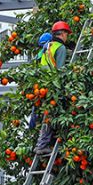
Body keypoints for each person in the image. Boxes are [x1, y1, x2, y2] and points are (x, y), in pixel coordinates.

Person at [34, 21, 72, 155]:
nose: (67, 36)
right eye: (66, 33)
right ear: (62, 33)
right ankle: (42, 145)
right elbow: (60, 70)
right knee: (50, 116)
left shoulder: (47, 46)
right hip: (53, 86)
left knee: (47, 115)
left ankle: (41, 143)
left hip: (43, 85)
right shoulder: (60, 48)